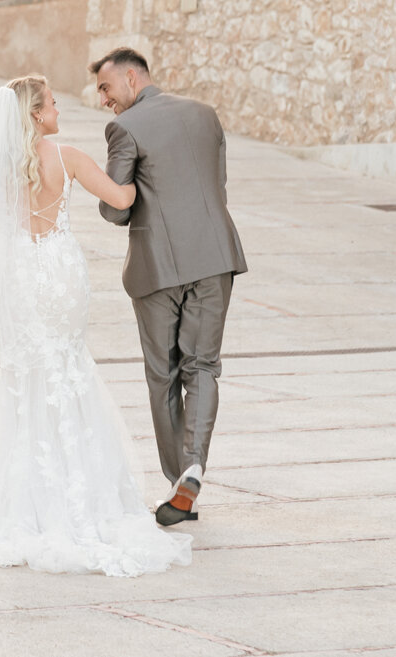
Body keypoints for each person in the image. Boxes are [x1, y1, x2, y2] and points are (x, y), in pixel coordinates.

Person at [0, 74, 192, 577]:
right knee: (69, 368)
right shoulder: (69, 157)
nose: (60, 110)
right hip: (60, 275)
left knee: (27, 373)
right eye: (54, 104)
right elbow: (122, 199)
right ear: (37, 115)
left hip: (20, 273)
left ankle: (26, 503)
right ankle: (85, 495)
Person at [92, 48, 247, 527]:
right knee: (203, 366)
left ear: (132, 78)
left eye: (106, 87)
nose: (103, 100)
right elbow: (216, 183)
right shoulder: (205, 114)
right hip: (215, 256)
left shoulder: (125, 128)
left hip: (158, 267)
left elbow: (116, 208)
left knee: (163, 375)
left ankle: (179, 478)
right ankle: (193, 470)